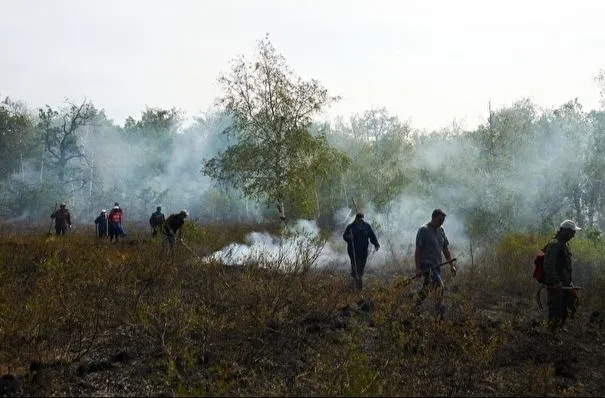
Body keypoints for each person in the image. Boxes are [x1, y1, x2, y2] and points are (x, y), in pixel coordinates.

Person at [414, 208, 456, 319]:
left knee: (427, 288)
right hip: (427, 265)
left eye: (442, 221)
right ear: (433, 217)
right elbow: (418, 250)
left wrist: (451, 265)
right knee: (440, 287)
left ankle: (415, 307)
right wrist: (418, 268)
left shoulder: (441, 230)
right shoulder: (423, 230)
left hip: (437, 265)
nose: (441, 223)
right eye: (439, 220)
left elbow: (445, 249)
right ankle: (439, 314)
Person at [543, 219, 581, 332]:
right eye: (572, 232)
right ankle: (551, 334)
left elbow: (565, 268)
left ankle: (559, 327)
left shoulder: (564, 244)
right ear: (566, 231)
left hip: (565, 285)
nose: (573, 235)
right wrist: (555, 281)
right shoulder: (555, 244)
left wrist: (569, 283)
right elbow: (548, 265)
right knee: (555, 309)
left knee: (571, 303)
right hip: (557, 285)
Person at [343, 212, 380, 290]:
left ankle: (358, 280)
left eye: (362, 218)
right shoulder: (350, 227)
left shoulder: (367, 226)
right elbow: (344, 236)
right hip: (353, 251)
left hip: (363, 251)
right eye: (359, 218)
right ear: (356, 218)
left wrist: (376, 244)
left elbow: (372, 236)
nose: (360, 220)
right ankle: (356, 284)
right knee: (355, 266)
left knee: (361, 266)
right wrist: (349, 237)